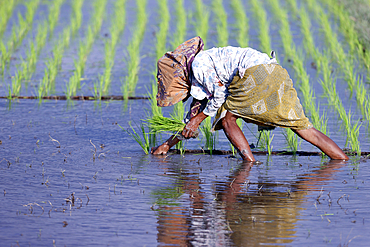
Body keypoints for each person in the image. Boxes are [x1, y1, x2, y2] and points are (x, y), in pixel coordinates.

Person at [151, 37, 349, 161]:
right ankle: (341, 159)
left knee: (227, 120)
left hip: (255, 75)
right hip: (274, 71)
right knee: (301, 126)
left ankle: (250, 163)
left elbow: (218, 97)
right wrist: (167, 145)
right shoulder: (202, 69)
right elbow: (193, 116)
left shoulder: (199, 66)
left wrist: (197, 120)